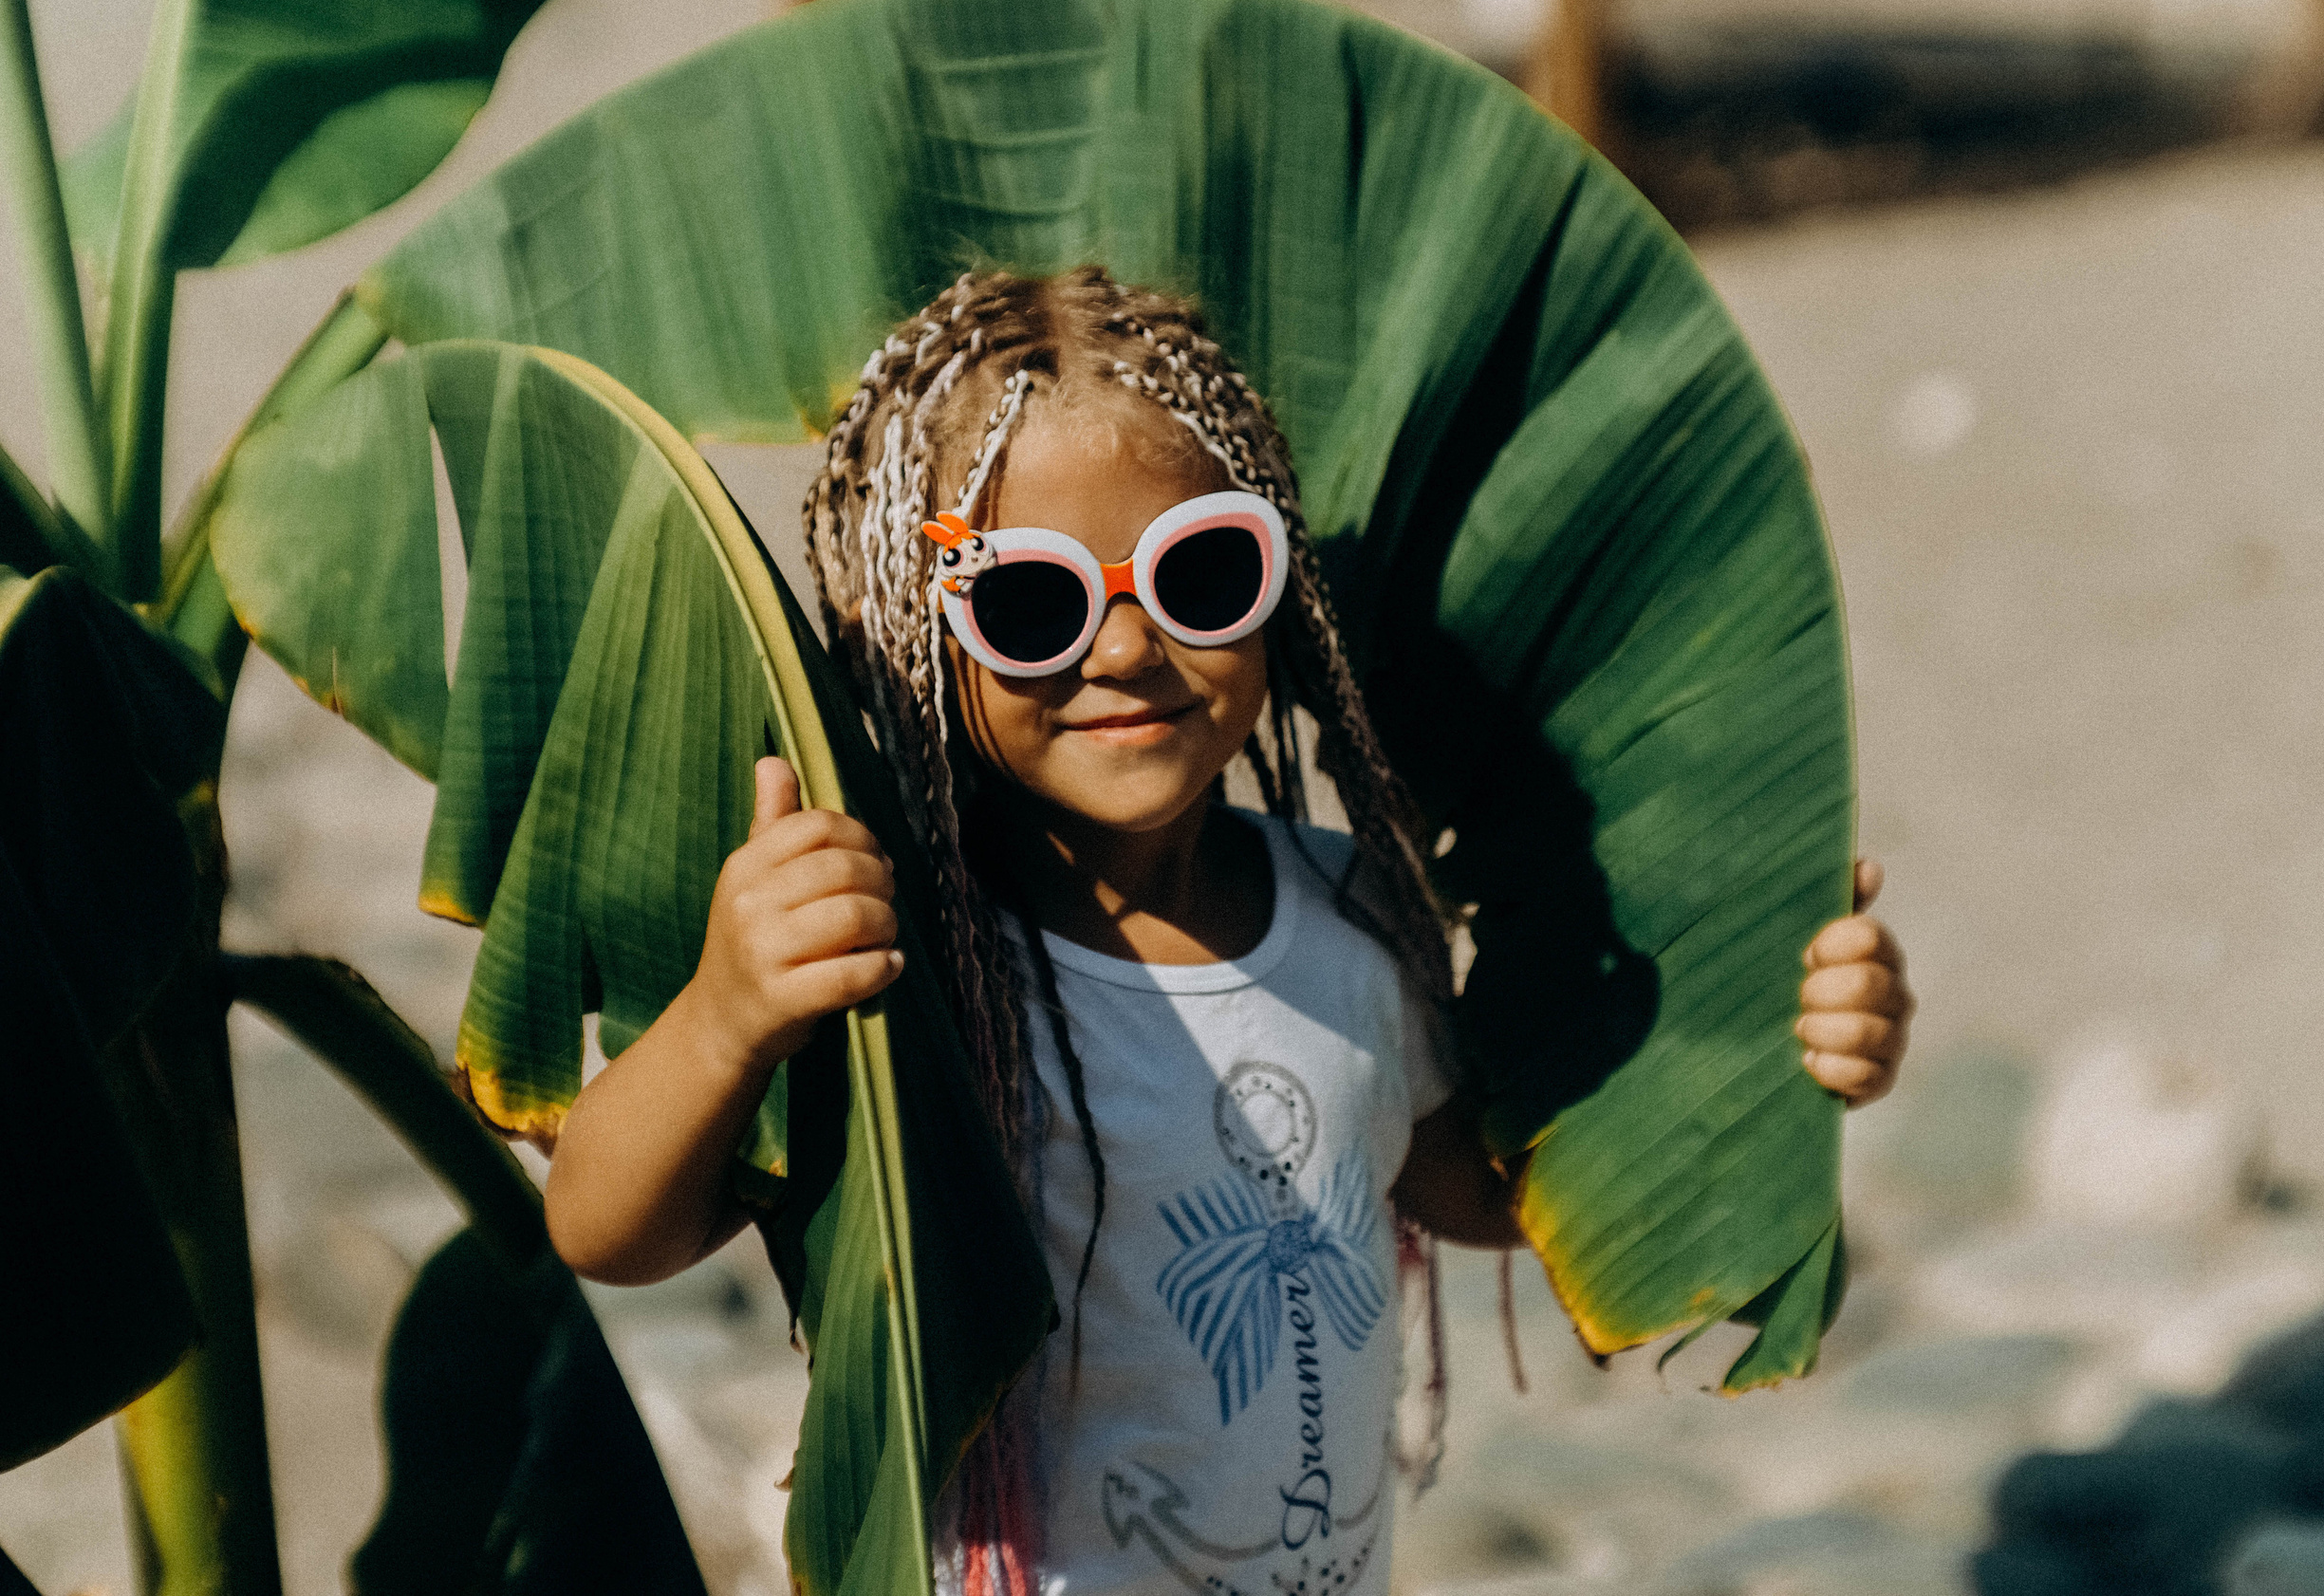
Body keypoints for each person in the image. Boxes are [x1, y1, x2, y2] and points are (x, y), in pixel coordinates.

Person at [542, 269, 1915, 1596]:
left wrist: (1770, 1046)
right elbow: (606, 1228)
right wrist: (730, 1013)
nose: (1127, 648)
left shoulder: (1350, 915)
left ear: (1282, 589)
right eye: (1031, 602)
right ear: (908, 626)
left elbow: (1478, 1191)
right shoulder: (902, 970)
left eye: (1200, 573)